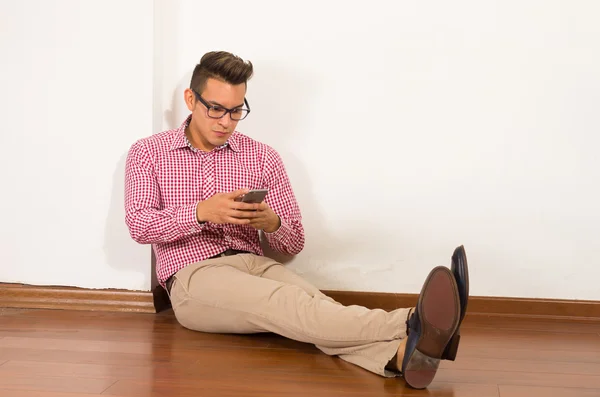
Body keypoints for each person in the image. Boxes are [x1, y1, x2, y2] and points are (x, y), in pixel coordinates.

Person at [124, 50, 469, 389]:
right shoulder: (149, 152)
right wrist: (202, 212)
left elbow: (294, 242)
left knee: (317, 309)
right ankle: (412, 320)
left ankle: (399, 357)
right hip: (192, 276)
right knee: (290, 306)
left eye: (235, 111)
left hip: (255, 264)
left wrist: (271, 223)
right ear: (190, 99)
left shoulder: (262, 156)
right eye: (215, 109)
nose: (226, 121)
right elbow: (139, 225)